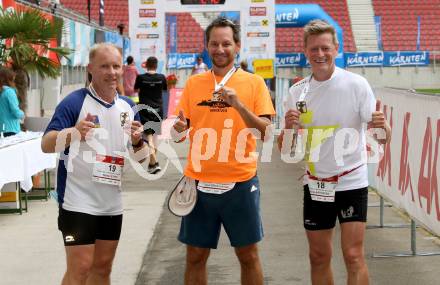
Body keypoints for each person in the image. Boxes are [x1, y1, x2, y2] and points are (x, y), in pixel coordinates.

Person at [278, 20, 391, 285]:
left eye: (325, 48)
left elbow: (383, 138)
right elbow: (286, 149)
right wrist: (288, 128)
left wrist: (383, 125)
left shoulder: (356, 84)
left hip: (352, 181)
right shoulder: (297, 92)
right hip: (317, 184)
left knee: (353, 255)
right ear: (305, 51)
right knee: (318, 256)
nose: (320, 54)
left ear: (336, 49)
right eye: (314, 49)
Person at [172, 17, 275, 285]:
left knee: (248, 255)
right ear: (207, 46)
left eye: (226, 43)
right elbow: (179, 134)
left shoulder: (254, 84)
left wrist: (239, 105)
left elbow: (267, 132)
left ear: (237, 46)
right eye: (214, 43)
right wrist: (180, 128)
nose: (220, 49)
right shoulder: (194, 84)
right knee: (195, 256)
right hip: (198, 182)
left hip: (240, 182)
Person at [41, 43, 147, 285]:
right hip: (77, 200)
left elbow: (143, 159)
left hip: (111, 201)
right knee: (80, 269)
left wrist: (139, 141)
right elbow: (46, 144)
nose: (111, 72)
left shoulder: (129, 107)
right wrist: (73, 133)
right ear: (90, 69)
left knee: (102, 269)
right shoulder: (74, 102)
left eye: (116, 66)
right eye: (104, 66)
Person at [134, 56, 167, 174]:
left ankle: (155, 163)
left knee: (149, 137)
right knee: (155, 137)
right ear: (156, 65)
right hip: (158, 110)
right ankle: (152, 164)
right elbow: (165, 90)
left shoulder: (141, 78)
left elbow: (136, 89)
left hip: (145, 109)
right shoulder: (162, 77)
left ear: (146, 65)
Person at [0, 67, 24, 137]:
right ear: (9, 79)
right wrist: (22, 114)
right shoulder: (9, 92)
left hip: (2, 128)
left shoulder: (1, 92)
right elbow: (15, 111)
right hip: (11, 128)